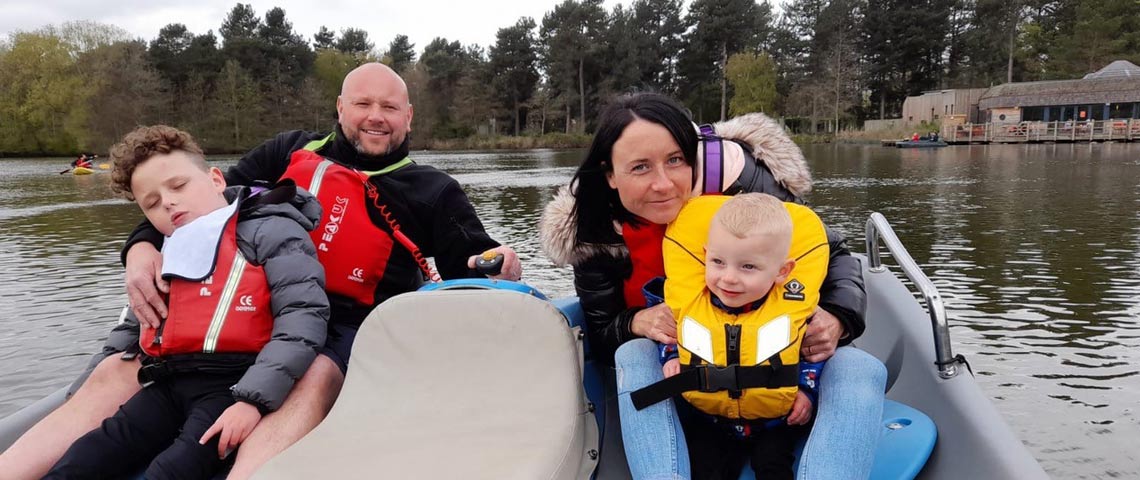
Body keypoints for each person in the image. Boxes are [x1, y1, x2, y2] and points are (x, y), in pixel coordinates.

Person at [0, 63, 522, 480]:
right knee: (116, 368)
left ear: (409, 116)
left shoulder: (435, 190)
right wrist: (139, 248)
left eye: (389, 106)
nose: (375, 116)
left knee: (313, 373)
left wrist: (495, 263)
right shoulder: (288, 150)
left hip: (337, 324)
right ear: (341, 108)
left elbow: (471, 265)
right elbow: (198, 198)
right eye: (362, 103)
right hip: (226, 300)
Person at [539, 92, 886, 479]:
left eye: (675, 160)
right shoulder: (591, 233)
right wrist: (634, 323)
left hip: (780, 367)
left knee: (859, 366)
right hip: (688, 379)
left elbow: (831, 251)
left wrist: (838, 317)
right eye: (640, 168)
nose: (663, 184)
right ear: (610, 175)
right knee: (633, 355)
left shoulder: (744, 189)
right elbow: (601, 335)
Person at [44, 125, 329, 480]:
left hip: (232, 385)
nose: (167, 201)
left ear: (215, 179)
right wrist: (82, 391)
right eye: (151, 203)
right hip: (167, 385)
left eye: (178, 186)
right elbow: (132, 328)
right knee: (87, 455)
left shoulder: (273, 232)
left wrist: (252, 401)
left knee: (173, 469)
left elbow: (302, 318)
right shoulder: (163, 252)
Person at [632, 193, 830, 479]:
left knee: (773, 466)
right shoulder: (690, 304)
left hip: (773, 423)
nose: (729, 278)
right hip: (710, 420)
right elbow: (672, 338)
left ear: (782, 271)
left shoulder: (795, 310)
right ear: (705, 256)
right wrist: (672, 359)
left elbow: (811, 357)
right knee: (706, 468)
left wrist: (806, 392)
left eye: (747, 266)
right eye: (718, 262)